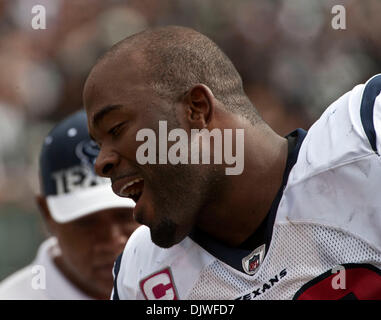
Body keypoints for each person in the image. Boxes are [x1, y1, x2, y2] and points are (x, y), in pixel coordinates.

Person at [83, 25, 381, 300]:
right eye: (98, 144)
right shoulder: (142, 277)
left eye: (116, 129)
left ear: (196, 109)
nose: (101, 163)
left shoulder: (363, 137)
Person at [0, 110, 140, 300]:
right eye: (87, 222)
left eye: (126, 215)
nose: (114, 239)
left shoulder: (186, 279)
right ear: (47, 214)